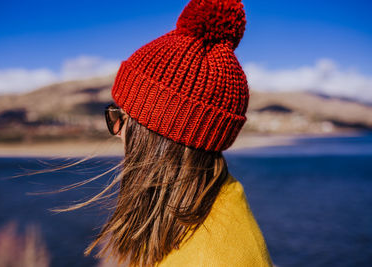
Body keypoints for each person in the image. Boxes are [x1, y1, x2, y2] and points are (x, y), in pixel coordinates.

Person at [57, 0, 274, 266]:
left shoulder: (207, 259)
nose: (117, 132)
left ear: (156, 135)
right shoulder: (212, 206)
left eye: (119, 117)